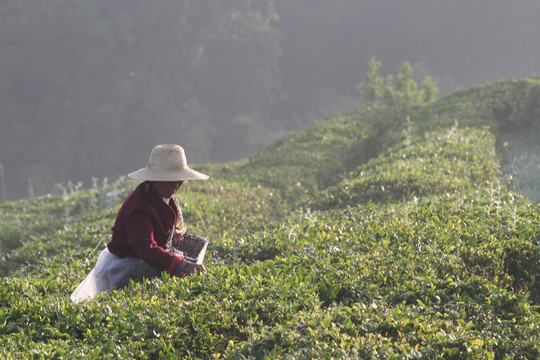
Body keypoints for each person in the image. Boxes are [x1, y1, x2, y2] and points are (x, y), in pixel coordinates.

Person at [71, 144, 208, 303]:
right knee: (118, 301)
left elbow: (162, 220)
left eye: (179, 180)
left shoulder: (163, 194)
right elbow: (146, 248)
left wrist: (174, 231)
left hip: (142, 260)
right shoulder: (139, 208)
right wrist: (182, 265)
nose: (175, 185)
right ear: (154, 179)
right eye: (169, 180)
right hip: (124, 266)